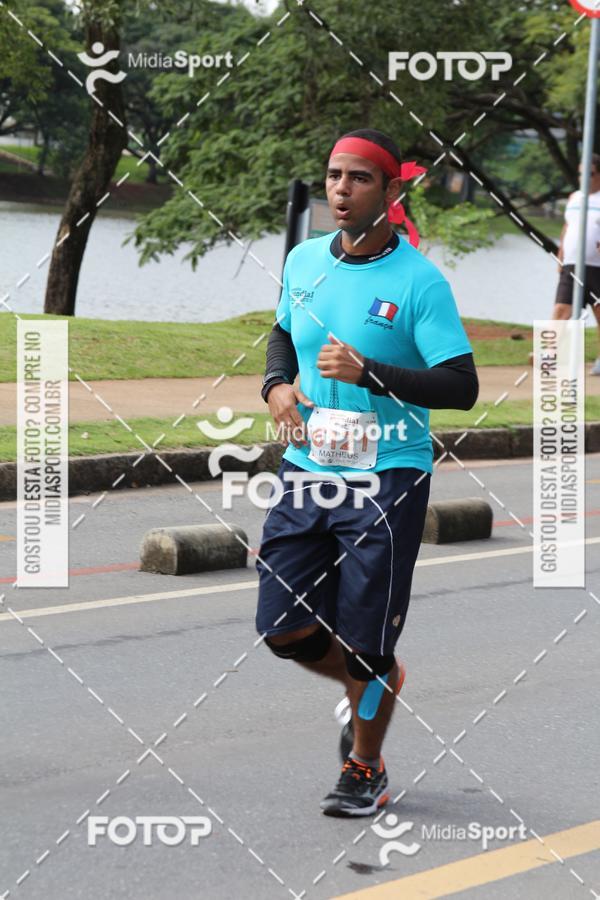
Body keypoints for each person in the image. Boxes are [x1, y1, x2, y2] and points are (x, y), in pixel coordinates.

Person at [255, 129, 479, 817]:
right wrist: (276, 388)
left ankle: (365, 764)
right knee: (282, 627)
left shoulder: (420, 282)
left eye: (357, 178)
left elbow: (461, 386)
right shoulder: (303, 262)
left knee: (366, 642)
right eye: (332, 176)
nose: (340, 190)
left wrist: (371, 374)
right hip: (309, 466)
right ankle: (372, 681)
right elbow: (284, 334)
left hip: (388, 477)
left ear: (391, 191)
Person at [555, 155, 600, 375]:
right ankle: (549, 356)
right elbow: (567, 228)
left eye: (589, 174)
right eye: (581, 174)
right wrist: (561, 255)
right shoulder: (574, 198)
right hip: (572, 265)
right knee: (561, 310)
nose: (584, 178)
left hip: (597, 267)